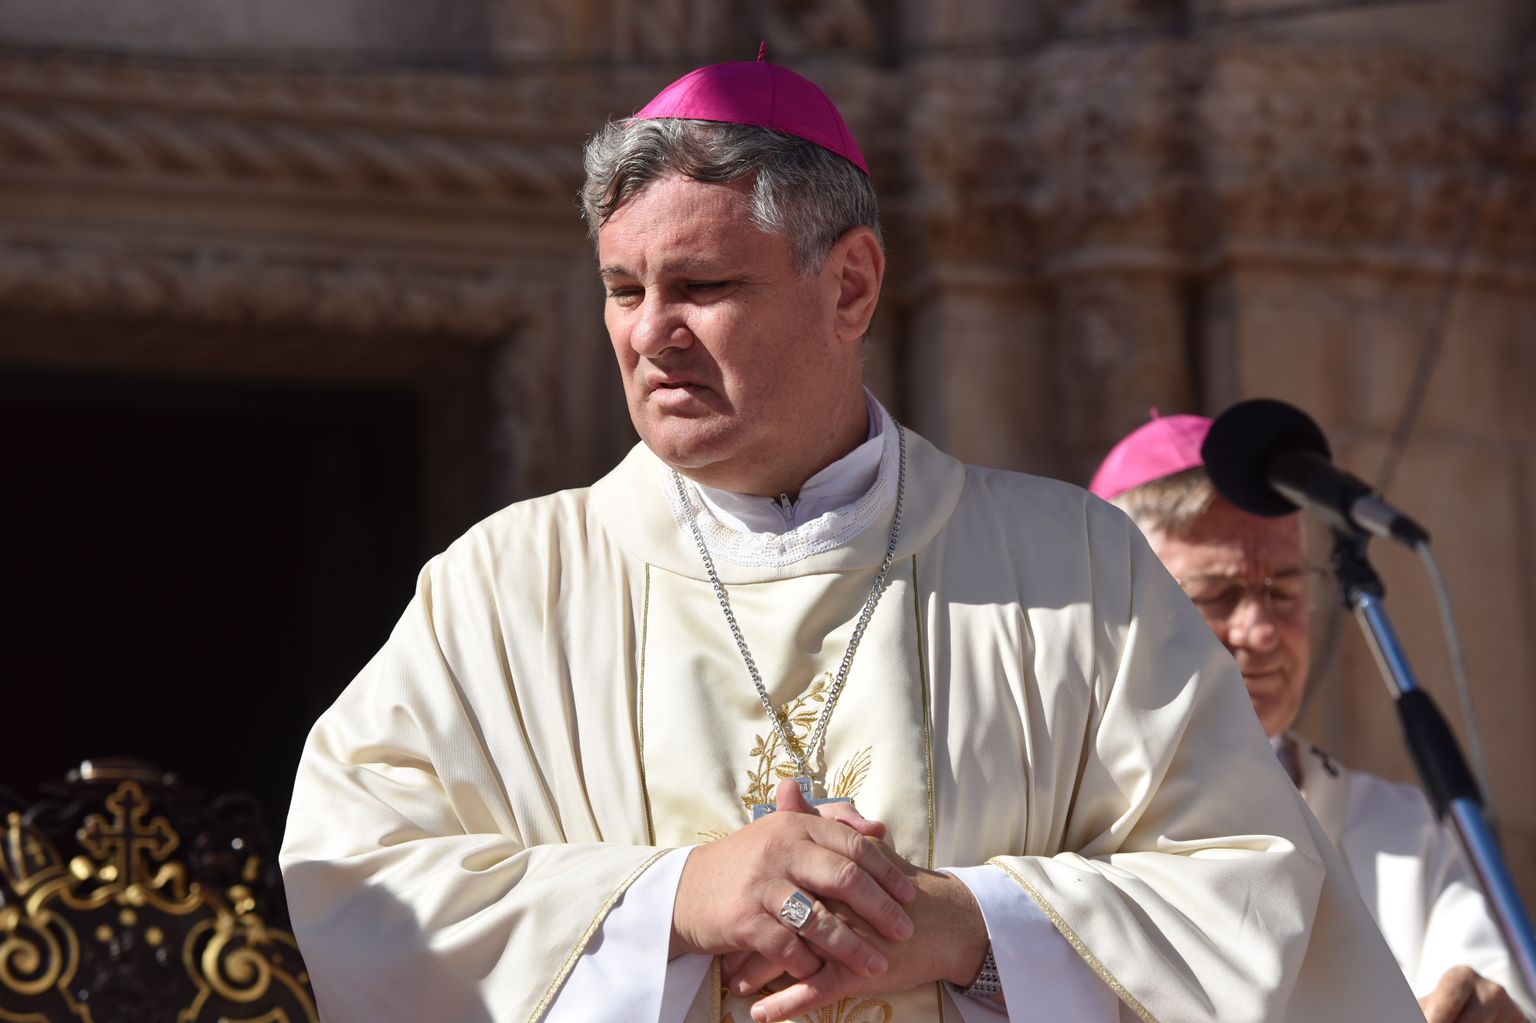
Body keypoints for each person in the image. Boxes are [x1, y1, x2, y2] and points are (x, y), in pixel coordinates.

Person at [279, 57, 1421, 1022]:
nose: (651, 333)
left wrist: (968, 928)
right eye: (624, 289)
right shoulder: (503, 587)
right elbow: (358, 880)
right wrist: (676, 899)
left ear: (853, 286)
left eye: (702, 285)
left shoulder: (1077, 569)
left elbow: (1258, 893)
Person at [1091, 411, 1535, 1023]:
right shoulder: (1071, 824)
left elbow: (1492, 987)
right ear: (1119, 612)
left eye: (1284, 590)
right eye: (1216, 595)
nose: (1262, 631)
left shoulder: (1404, 834)